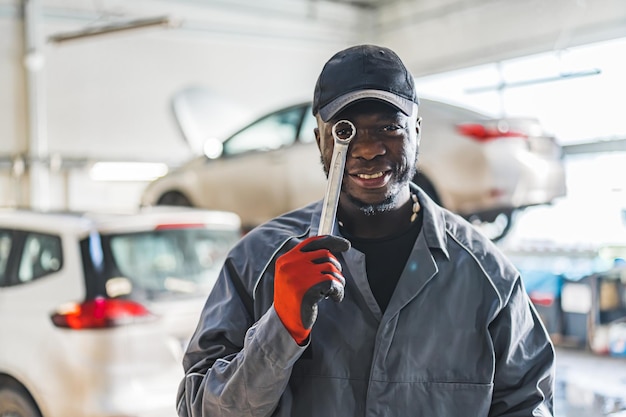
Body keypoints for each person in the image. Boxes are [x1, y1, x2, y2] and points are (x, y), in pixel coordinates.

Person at [176, 44, 555, 417]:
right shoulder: (255, 262)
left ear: (417, 131)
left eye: (389, 127)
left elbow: (529, 405)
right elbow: (200, 410)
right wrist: (282, 327)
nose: (368, 148)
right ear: (320, 141)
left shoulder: (487, 276)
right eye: (345, 130)